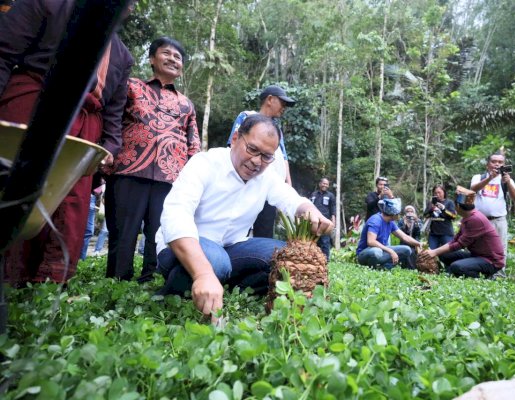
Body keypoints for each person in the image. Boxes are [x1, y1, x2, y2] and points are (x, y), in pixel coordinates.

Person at [0, 0, 133, 285]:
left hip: (84, 129)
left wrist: (109, 146)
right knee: (16, 189)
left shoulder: (122, 56)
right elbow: (3, 52)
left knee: (69, 208)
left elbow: (114, 111)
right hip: (31, 105)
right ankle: (9, 278)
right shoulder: (48, 3)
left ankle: (49, 283)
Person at [155, 114, 333, 322]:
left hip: (232, 248)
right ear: (236, 138)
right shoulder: (205, 163)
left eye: (266, 156)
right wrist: (204, 273)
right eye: (252, 149)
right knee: (216, 262)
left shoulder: (265, 177)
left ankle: (220, 284)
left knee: (285, 257)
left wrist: (310, 210)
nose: (257, 161)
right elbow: (176, 216)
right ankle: (183, 287)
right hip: (184, 247)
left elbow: (291, 199)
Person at [104, 36, 200, 283]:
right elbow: (112, 120)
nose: (173, 59)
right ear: (151, 59)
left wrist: (191, 178)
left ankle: (152, 278)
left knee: (160, 232)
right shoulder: (131, 86)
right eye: (166, 53)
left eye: (178, 57)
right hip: (128, 169)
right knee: (123, 231)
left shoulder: (187, 104)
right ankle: (117, 281)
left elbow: (194, 143)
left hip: (171, 177)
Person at [227, 85, 296, 238]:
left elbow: (284, 157)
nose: (284, 107)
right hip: (250, 184)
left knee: (265, 231)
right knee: (243, 231)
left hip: (271, 189)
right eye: (282, 102)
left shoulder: (276, 131)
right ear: (270, 99)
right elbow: (232, 148)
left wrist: (288, 185)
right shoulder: (247, 117)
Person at [422, 186, 505, 279]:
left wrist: (434, 252)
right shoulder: (467, 218)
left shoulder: (475, 219)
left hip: (491, 261)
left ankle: (486, 278)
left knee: (457, 267)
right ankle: (450, 274)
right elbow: (455, 240)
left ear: (457, 206)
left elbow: (460, 244)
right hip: (477, 255)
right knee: (444, 254)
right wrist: (436, 252)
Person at [470, 151, 515, 276]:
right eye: (494, 161)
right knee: (477, 246)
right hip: (480, 220)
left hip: (498, 220)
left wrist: (507, 182)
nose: (497, 164)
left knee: (500, 249)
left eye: (500, 162)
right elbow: (473, 189)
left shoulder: (506, 179)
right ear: (488, 164)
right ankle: (477, 272)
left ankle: (499, 276)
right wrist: (489, 178)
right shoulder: (478, 177)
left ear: (504, 164)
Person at [356, 198, 421, 270]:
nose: (399, 215)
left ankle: (385, 268)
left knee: (407, 250)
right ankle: (372, 269)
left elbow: (404, 237)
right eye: (398, 213)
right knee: (376, 251)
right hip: (365, 253)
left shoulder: (390, 222)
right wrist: (390, 251)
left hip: (381, 251)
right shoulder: (375, 220)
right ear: (393, 214)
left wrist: (418, 244)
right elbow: (371, 241)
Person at [310, 177, 336, 260]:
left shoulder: (330, 195)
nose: (325, 185)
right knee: (313, 241)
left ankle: (325, 260)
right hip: (314, 222)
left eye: (327, 184)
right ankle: (314, 259)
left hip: (326, 223)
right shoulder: (313, 194)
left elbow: (333, 210)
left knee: (325, 241)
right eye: (324, 183)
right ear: (320, 184)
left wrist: (333, 222)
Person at [423, 185, 456, 249]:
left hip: (446, 233)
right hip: (433, 234)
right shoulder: (430, 203)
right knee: (430, 252)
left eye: (439, 192)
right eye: (435, 193)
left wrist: (443, 209)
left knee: (449, 252)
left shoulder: (449, 202)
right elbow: (425, 216)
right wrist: (431, 209)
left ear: (444, 192)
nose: (437, 194)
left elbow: (453, 216)